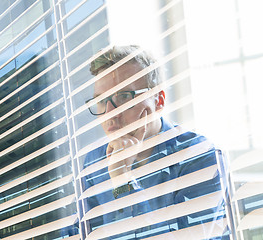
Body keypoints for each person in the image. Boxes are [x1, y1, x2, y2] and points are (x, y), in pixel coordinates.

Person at [82, 45, 226, 238]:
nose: (110, 114)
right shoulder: (95, 161)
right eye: (101, 101)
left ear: (158, 100)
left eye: (124, 96)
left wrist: (122, 180)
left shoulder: (199, 155)